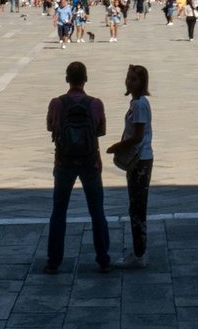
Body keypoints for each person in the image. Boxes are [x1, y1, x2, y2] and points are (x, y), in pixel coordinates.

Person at [44, 61, 112, 274]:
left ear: (67, 79)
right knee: (97, 210)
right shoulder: (95, 103)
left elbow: (49, 127)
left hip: (63, 161)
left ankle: (54, 261)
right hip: (90, 161)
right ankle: (103, 259)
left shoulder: (57, 103)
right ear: (85, 79)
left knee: (59, 210)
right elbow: (101, 131)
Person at [106, 64, 154, 268]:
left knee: (137, 206)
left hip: (140, 159)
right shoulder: (135, 103)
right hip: (138, 158)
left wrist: (117, 146)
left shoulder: (140, 104)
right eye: (128, 78)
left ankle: (139, 253)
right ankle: (138, 250)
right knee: (135, 205)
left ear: (142, 83)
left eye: (133, 79)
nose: (129, 82)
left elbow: (138, 135)